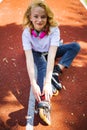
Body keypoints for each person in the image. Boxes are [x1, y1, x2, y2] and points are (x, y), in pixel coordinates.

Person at [22, 0, 80, 125]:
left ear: (47, 18)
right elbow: (29, 59)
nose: (39, 20)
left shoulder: (54, 30)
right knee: (42, 65)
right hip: (36, 53)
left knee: (75, 46)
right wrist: (33, 83)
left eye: (43, 17)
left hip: (49, 51)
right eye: (36, 16)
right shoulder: (26, 33)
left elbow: (52, 55)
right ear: (30, 17)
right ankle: (44, 101)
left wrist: (48, 82)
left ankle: (56, 71)